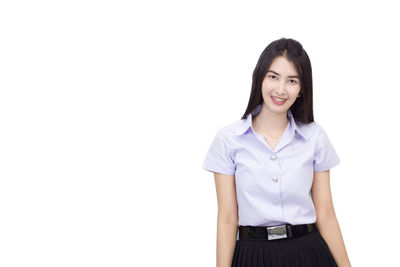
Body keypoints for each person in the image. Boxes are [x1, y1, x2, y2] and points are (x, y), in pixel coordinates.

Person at [202, 38, 352, 267]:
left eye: (292, 81)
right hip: (253, 255)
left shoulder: (314, 137)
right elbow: (227, 219)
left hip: (308, 253)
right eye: (273, 77)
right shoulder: (228, 139)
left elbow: (326, 214)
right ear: (259, 77)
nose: (281, 90)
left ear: (301, 89)